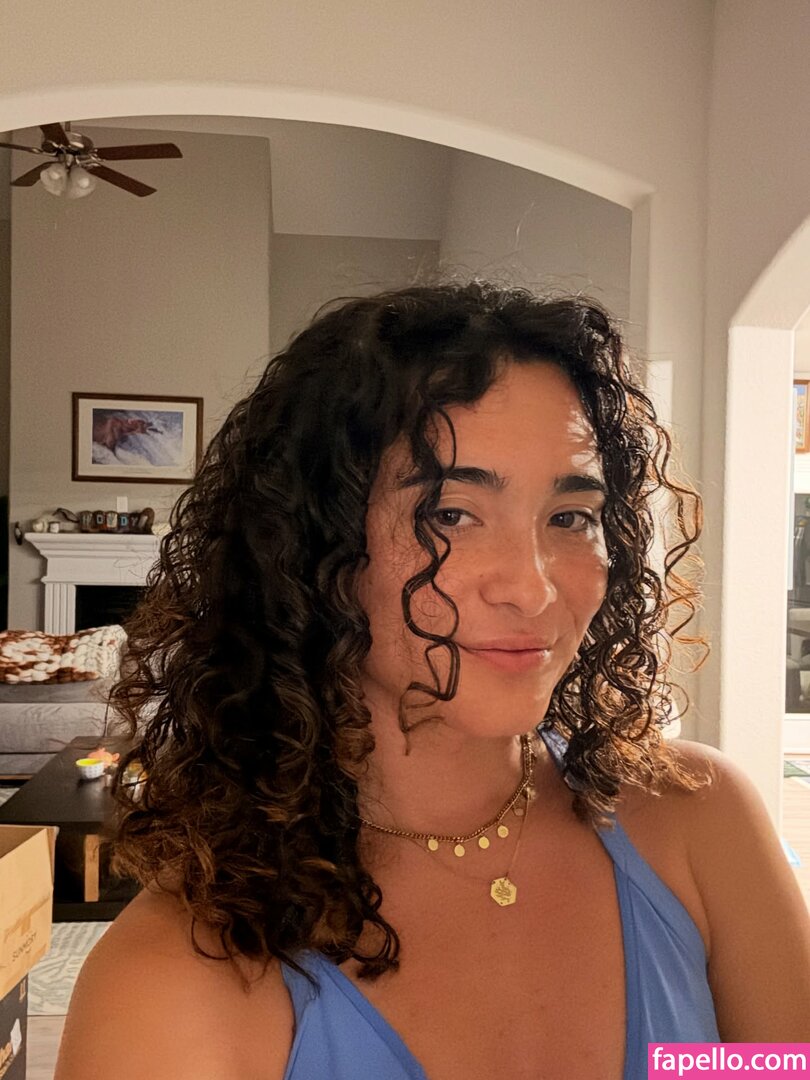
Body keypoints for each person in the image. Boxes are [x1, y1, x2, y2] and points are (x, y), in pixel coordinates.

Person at [55, 282, 810, 1080]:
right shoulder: (174, 984)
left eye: (570, 517)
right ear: (310, 549)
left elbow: (773, 1069)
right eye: (449, 514)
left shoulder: (699, 827)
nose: (533, 588)